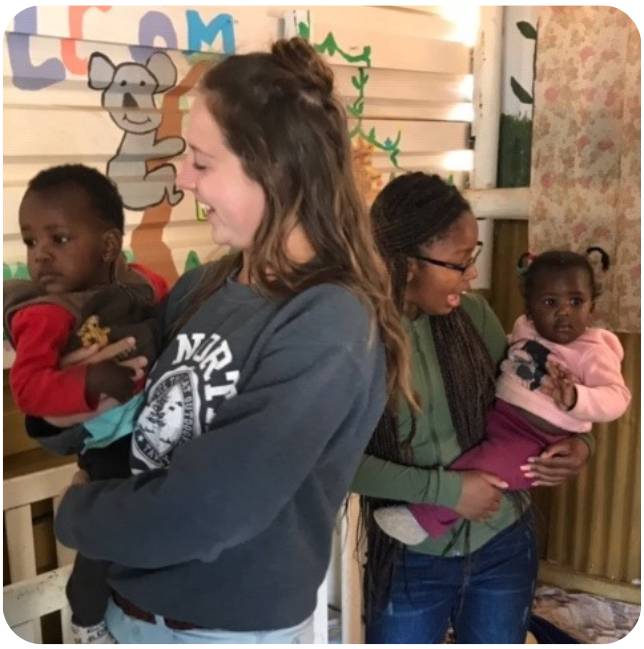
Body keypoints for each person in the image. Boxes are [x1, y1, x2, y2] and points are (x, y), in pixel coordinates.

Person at [45, 37, 416, 643]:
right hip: (125, 609)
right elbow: (114, 399)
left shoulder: (328, 322)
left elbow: (210, 512)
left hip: (218, 632)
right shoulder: (205, 286)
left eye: (201, 160)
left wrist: (77, 514)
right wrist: (64, 387)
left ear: (274, 168)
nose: (183, 178)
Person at [351, 172, 594, 644]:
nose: (472, 276)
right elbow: (333, 463)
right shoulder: (354, 337)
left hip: (503, 540)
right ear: (404, 262)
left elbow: (533, 400)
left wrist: (579, 444)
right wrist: (447, 490)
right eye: (460, 263)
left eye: (473, 258)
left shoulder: (473, 317)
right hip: (410, 555)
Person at [3, 163, 168, 643]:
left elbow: (171, 316)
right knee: (105, 532)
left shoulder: (141, 286)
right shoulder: (45, 313)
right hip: (110, 444)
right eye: (31, 242)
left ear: (109, 246)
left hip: (158, 427)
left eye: (59, 239)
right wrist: (91, 378)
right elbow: (29, 390)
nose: (41, 258)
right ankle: (88, 618)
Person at [375, 248, 630, 545]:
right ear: (530, 308)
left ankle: (422, 519)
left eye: (576, 302)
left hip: (535, 440)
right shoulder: (525, 329)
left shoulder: (593, 351)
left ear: (592, 307)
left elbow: (616, 397)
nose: (564, 312)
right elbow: (508, 356)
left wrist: (577, 400)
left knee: (481, 470)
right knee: (473, 459)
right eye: (550, 302)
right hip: (504, 418)